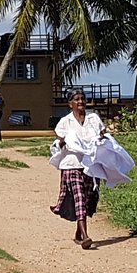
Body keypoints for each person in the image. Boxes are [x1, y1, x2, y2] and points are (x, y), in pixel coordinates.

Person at [52, 88, 105, 249]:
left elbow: (103, 136)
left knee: (88, 198)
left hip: (90, 166)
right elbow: (58, 142)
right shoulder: (65, 122)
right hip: (71, 164)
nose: (80, 102)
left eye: (82, 99)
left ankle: (78, 232)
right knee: (79, 197)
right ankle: (86, 237)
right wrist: (64, 143)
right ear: (70, 104)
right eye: (76, 99)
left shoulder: (94, 119)